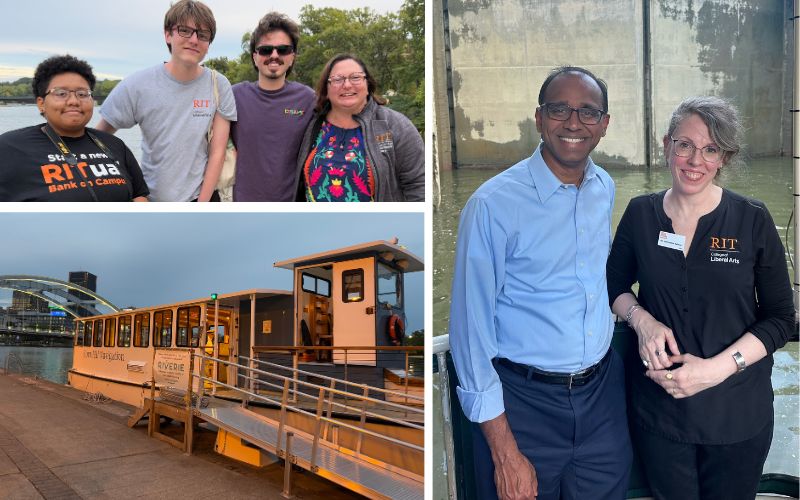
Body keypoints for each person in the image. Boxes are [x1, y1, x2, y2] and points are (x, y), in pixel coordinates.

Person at [449, 66, 631, 500]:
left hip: (602, 397)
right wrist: (504, 451)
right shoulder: (492, 205)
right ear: (539, 118)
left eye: (588, 112)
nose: (574, 123)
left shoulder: (603, 187)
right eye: (559, 109)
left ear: (604, 124)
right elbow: (470, 332)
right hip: (523, 404)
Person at [606, 96, 794, 500]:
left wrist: (714, 370)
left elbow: (781, 318)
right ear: (666, 145)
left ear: (724, 158)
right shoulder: (640, 214)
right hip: (660, 411)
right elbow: (614, 286)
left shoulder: (752, 218)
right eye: (685, 145)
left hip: (737, 414)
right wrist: (642, 321)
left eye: (711, 149)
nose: (695, 160)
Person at [96, 0, 236, 202]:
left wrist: (202, 207)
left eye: (203, 35)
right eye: (184, 31)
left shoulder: (218, 84)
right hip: (150, 200)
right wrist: (130, 188)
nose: (194, 40)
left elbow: (218, 152)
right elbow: (97, 141)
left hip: (201, 197)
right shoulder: (137, 85)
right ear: (168, 34)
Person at [0, 55, 148, 202]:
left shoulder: (114, 145)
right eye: (61, 93)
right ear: (41, 103)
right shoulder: (10, 147)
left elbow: (139, 196)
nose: (74, 101)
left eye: (82, 94)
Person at [295, 54, 424, 202]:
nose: (347, 85)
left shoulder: (395, 125)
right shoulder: (312, 125)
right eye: (337, 79)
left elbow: (419, 185)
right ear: (327, 89)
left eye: (355, 77)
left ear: (368, 85)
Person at [230, 12, 315, 202]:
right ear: (255, 57)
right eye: (266, 50)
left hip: (292, 205)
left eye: (283, 49)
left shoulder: (308, 99)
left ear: (292, 57)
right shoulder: (234, 96)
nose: (274, 56)